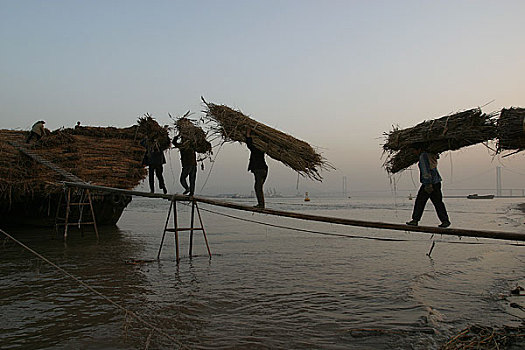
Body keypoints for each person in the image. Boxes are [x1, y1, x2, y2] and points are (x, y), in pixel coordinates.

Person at [406, 143, 451, 228]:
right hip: (437, 182)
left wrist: (428, 185)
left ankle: (415, 220)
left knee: (420, 201)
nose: (414, 152)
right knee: (438, 202)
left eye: (414, 150)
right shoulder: (432, 155)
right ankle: (445, 221)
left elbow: (425, 170)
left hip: (429, 182)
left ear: (419, 149)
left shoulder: (423, 156)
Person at [246, 127, 268, 208]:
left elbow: (249, 144)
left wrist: (248, 134)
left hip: (259, 170)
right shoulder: (262, 149)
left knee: (258, 187)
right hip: (264, 169)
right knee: (259, 187)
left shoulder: (256, 149)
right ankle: (261, 204)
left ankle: (261, 205)